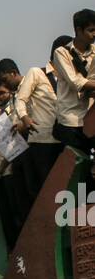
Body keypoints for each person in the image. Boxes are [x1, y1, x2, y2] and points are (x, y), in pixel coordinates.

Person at [12, 38, 70, 203]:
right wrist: (25, 117)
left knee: (64, 190)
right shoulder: (36, 73)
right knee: (46, 191)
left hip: (64, 140)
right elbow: (20, 100)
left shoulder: (70, 78)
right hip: (42, 141)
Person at [51, 11, 95, 158]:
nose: (94, 34)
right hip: (70, 121)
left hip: (90, 117)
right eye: (91, 30)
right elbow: (76, 82)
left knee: (88, 165)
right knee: (78, 165)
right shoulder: (62, 53)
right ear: (78, 30)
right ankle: (81, 182)